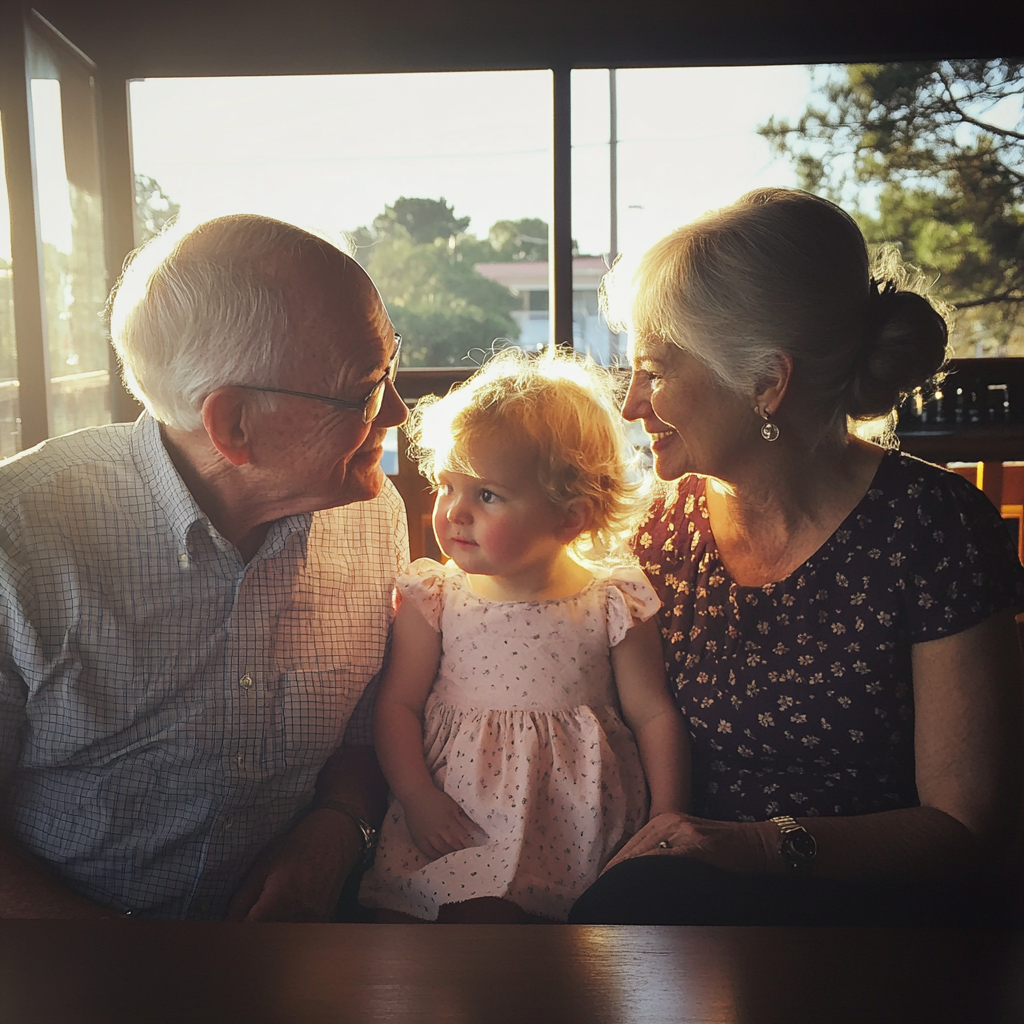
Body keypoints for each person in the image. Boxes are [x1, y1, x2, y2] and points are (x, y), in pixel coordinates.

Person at [569, 187, 1024, 926]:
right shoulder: (658, 530)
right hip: (687, 912)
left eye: (655, 372)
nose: (632, 405)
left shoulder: (932, 525)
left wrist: (756, 848)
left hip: (883, 925)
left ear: (767, 383)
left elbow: (968, 826)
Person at [0, 214, 409, 920]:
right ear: (234, 425)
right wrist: (130, 973)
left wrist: (340, 829)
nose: (398, 412)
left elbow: (368, 737)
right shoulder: (21, 540)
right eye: (366, 391)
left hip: (298, 963)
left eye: (390, 371)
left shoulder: (374, 516)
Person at [358, 348, 689, 922]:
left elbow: (653, 713)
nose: (454, 512)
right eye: (447, 486)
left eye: (486, 495)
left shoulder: (615, 600)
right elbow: (398, 705)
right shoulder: (434, 594)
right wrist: (416, 798)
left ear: (570, 518)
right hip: (456, 817)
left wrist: (668, 820)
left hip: (575, 823)